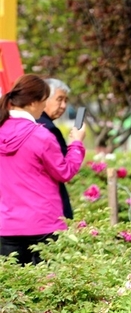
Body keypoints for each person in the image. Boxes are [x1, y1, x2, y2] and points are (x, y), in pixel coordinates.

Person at [0, 75, 86, 265]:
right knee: (47, 287)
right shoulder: (40, 135)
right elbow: (65, 172)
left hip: (7, 226)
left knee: (12, 289)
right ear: (33, 102)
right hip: (44, 224)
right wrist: (76, 144)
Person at [37, 77, 74, 219]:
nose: (64, 106)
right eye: (59, 99)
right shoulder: (49, 129)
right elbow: (64, 169)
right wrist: (76, 144)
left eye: (66, 101)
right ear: (45, 98)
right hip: (49, 209)